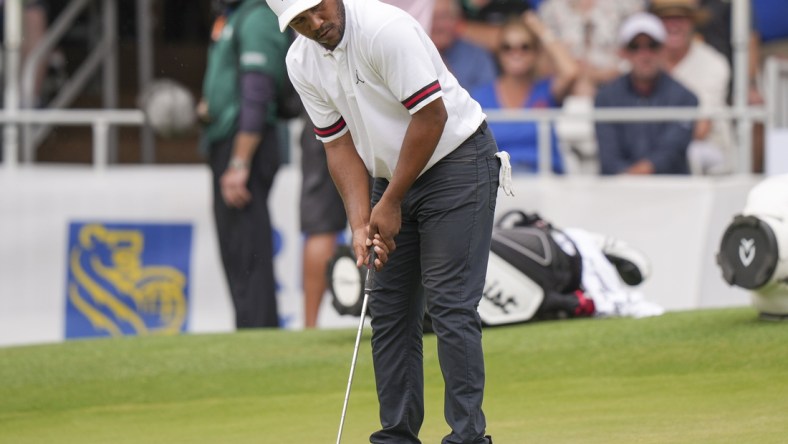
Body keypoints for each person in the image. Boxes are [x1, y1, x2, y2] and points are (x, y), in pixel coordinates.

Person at [266, 0, 508, 441]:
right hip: (389, 174)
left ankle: (468, 436)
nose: (316, 24)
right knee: (389, 310)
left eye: (318, 9)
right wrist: (360, 223)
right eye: (300, 21)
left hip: (456, 162)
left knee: (450, 304)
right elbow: (337, 145)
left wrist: (391, 200)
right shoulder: (300, 61)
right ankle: (397, 435)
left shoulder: (383, 29)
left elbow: (431, 115)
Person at [197, 0, 289, 328]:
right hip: (230, 140)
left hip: (247, 145)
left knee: (248, 245)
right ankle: (248, 325)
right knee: (236, 246)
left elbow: (258, 93)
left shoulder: (258, 18)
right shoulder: (233, 17)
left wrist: (238, 163)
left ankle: (259, 330)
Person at [471, 12, 577, 173]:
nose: (516, 53)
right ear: (499, 53)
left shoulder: (546, 90)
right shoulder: (480, 97)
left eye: (525, 47)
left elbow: (570, 72)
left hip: (546, 182)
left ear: (536, 53)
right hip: (500, 185)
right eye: (507, 48)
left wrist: (541, 30)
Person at [595, 12, 698, 175]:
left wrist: (632, 177)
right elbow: (609, 156)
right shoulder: (605, 97)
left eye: (652, 46)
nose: (644, 55)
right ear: (624, 52)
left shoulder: (685, 98)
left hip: (672, 193)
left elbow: (670, 153)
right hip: (617, 193)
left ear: (663, 50)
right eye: (635, 47)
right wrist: (627, 182)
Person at [650, 0, 733, 175]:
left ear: (693, 22)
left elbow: (700, 129)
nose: (673, 24)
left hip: (707, 148)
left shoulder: (714, 63)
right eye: (666, 18)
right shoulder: (644, 61)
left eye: (681, 17)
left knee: (691, 153)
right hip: (655, 150)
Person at [299, 115, 348, 328]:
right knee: (381, 214)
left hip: (322, 116)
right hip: (370, 111)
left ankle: (310, 326)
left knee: (321, 228)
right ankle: (392, 321)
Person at [431, 0, 498, 91]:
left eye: (443, 17)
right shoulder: (411, 54)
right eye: (432, 18)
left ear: (457, 20)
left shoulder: (477, 56)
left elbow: (486, 99)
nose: (438, 25)